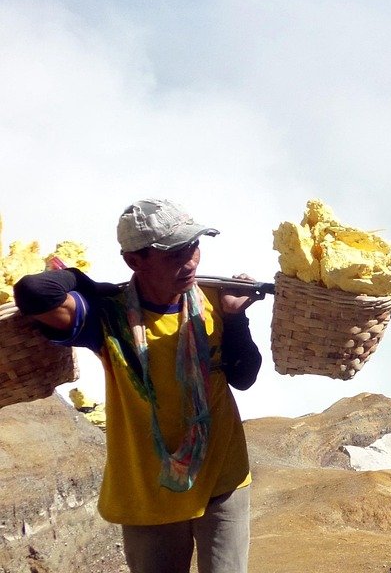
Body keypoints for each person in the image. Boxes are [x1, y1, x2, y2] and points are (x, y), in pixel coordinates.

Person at [13, 198, 263, 573]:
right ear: (134, 261)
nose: (191, 260)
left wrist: (236, 319)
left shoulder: (211, 298)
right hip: (148, 494)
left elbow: (244, 377)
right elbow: (35, 292)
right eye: (174, 254)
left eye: (193, 246)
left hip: (222, 480)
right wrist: (87, 284)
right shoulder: (108, 317)